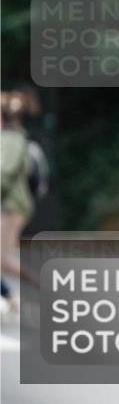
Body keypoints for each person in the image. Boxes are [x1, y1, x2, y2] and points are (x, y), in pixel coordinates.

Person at [1, 90, 39, 312]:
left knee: (3, 260)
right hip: (9, 205)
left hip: (10, 206)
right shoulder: (11, 138)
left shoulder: (11, 139)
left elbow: (4, 174)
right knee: (3, 260)